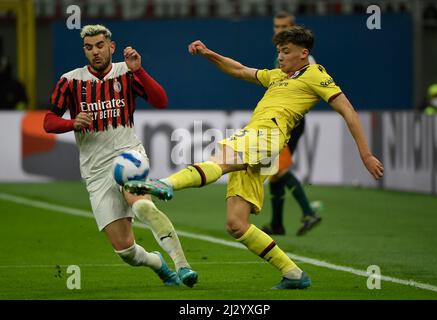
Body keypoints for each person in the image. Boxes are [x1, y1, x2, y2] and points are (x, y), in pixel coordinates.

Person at [125, 26, 384, 289]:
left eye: (286, 51)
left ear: (304, 53)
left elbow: (348, 111)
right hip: (260, 142)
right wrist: (207, 53)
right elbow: (238, 69)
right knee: (236, 224)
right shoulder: (277, 76)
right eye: (279, 52)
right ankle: (294, 274)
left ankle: (166, 184)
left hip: (267, 136)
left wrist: (365, 153)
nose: (280, 57)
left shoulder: (316, 74)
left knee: (221, 158)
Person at [43, 24, 198, 288]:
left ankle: (183, 266)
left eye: (100, 46)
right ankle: (157, 263)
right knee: (126, 251)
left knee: (142, 205)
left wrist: (140, 70)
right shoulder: (70, 81)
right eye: (89, 48)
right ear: (85, 50)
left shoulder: (127, 72)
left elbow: (160, 101)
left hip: (129, 153)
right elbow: (48, 122)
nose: (95, 52)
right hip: (95, 169)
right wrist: (72, 123)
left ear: (111, 47)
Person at [262, 11, 322, 236]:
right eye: (276, 27)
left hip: (291, 123)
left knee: (278, 168)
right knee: (275, 171)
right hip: (280, 122)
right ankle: (277, 223)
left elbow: (312, 91)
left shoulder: (305, 61)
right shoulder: (280, 54)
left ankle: (308, 212)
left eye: (284, 27)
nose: (279, 31)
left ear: (293, 27)